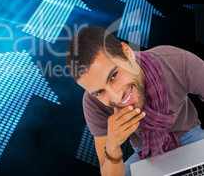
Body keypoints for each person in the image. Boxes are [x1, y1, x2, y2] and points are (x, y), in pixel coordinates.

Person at [66, 26, 204, 176]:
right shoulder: (93, 103)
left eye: (113, 76)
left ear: (127, 53)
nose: (116, 97)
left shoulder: (176, 61)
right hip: (145, 152)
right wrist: (112, 145)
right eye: (100, 92)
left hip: (191, 136)